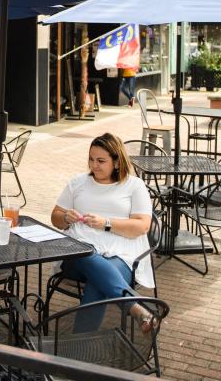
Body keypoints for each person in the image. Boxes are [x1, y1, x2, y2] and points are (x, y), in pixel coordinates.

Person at [50, 132, 156, 333]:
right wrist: (65, 218)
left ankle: (78, 349)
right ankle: (133, 307)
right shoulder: (78, 182)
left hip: (122, 255)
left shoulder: (134, 185)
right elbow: (55, 216)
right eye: (91, 159)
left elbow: (142, 226)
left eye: (101, 160)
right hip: (78, 256)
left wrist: (106, 223)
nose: (94, 165)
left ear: (116, 162)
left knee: (98, 282)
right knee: (87, 255)